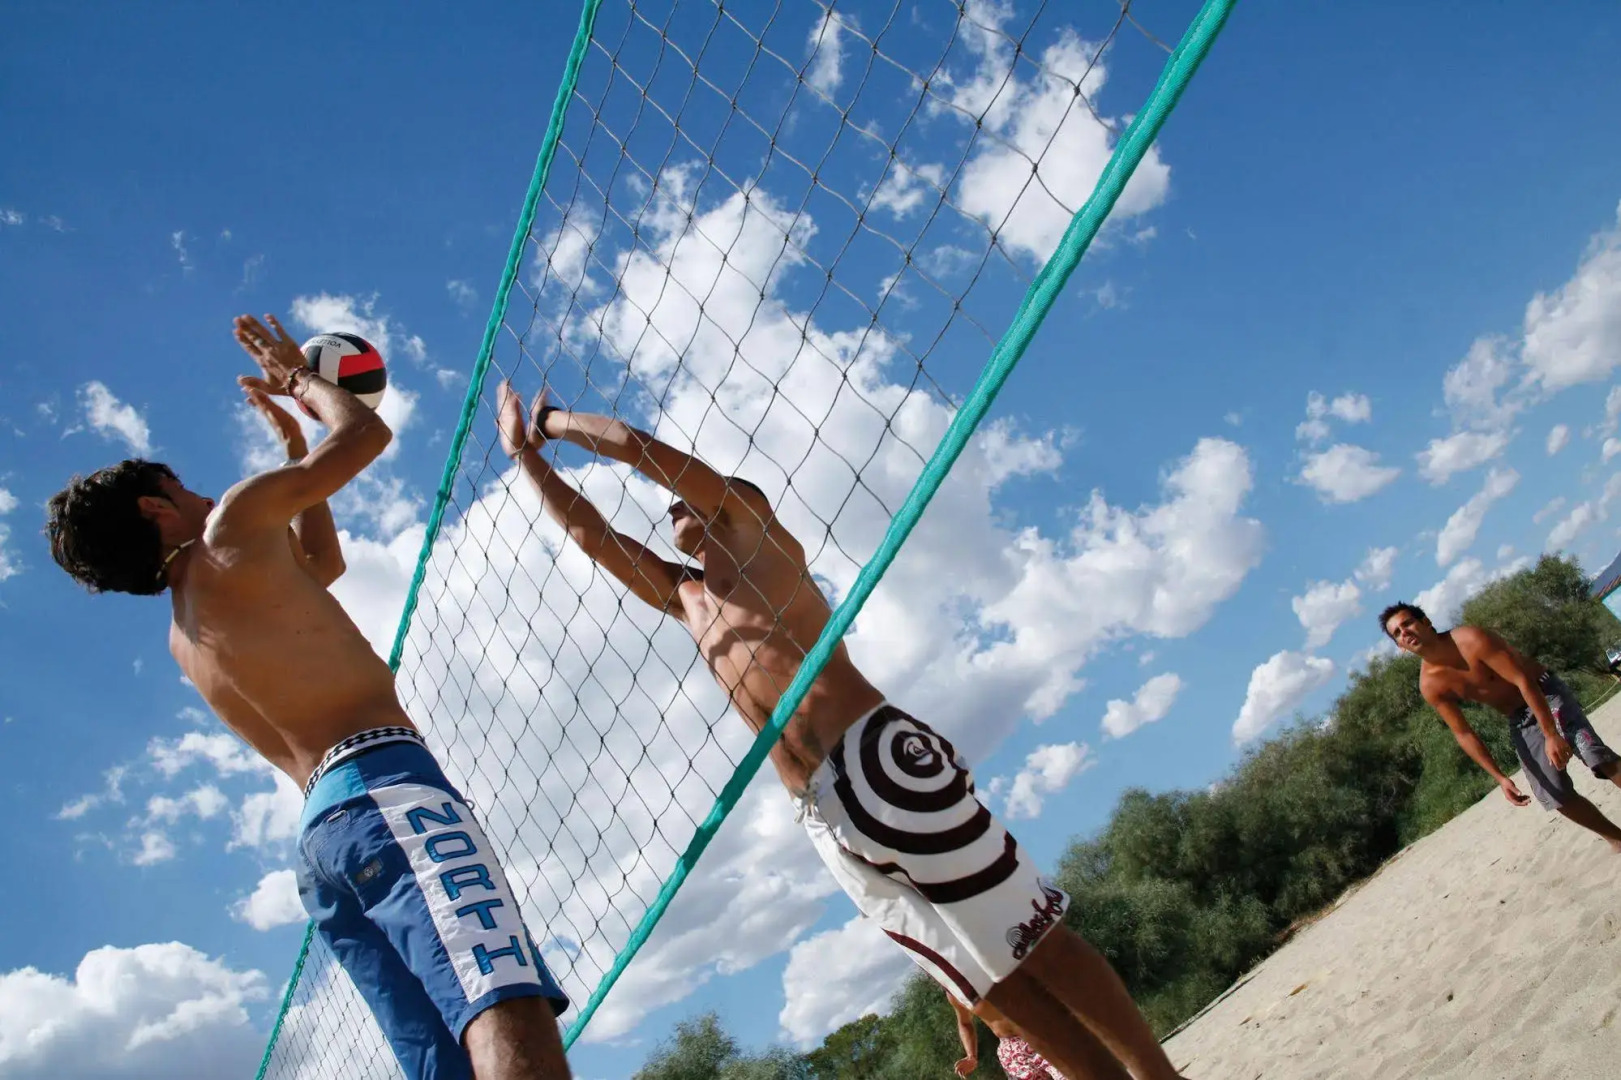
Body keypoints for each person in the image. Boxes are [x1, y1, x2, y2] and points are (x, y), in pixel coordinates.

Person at [496, 385, 1185, 1080]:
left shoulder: (753, 531)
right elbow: (593, 537)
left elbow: (646, 456)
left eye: (685, 497)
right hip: (819, 810)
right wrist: (526, 458)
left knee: (1033, 939)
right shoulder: (688, 598)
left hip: (876, 756)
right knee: (985, 979)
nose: (670, 505)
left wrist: (554, 424)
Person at [47, 316, 572, 1080]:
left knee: (444, 1064)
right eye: (180, 486)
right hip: (383, 790)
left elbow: (319, 565)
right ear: (154, 510)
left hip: (322, 840)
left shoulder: (185, 632)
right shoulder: (228, 526)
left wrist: (295, 458)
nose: (200, 491)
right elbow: (364, 436)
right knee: (503, 1006)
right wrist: (301, 380)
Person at [1382, 601, 1621, 849]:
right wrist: (1499, 777)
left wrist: (1551, 734)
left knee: (1594, 755)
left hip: (1543, 690)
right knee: (1553, 793)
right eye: (1397, 633)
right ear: (1400, 647)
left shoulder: (1471, 639)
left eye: (1407, 623)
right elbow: (1464, 733)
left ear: (1425, 622)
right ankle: (1617, 839)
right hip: (1519, 719)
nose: (1405, 633)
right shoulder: (1430, 685)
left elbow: (1522, 680)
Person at [950, 995, 1085, 1080]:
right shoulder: (953, 989)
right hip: (1012, 1051)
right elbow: (964, 1022)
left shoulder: (991, 960)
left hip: (1039, 1034)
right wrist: (971, 1055)